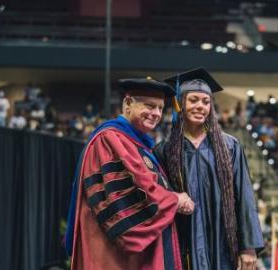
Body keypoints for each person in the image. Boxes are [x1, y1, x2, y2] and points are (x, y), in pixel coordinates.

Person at [65, 78, 195, 270]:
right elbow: (132, 193)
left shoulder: (137, 142)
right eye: (150, 106)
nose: (156, 114)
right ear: (127, 104)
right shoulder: (109, 140)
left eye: (160, 108)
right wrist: (175, 200)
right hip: (114, 257)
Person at [155, 68, 264, 270]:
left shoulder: (229, 146)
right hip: (183, 239)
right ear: (180, 104)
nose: (200, 106)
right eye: (193, 100)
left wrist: (248, 247)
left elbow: (244, 196)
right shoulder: (166, 150)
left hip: (223, 241)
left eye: (206, 102)